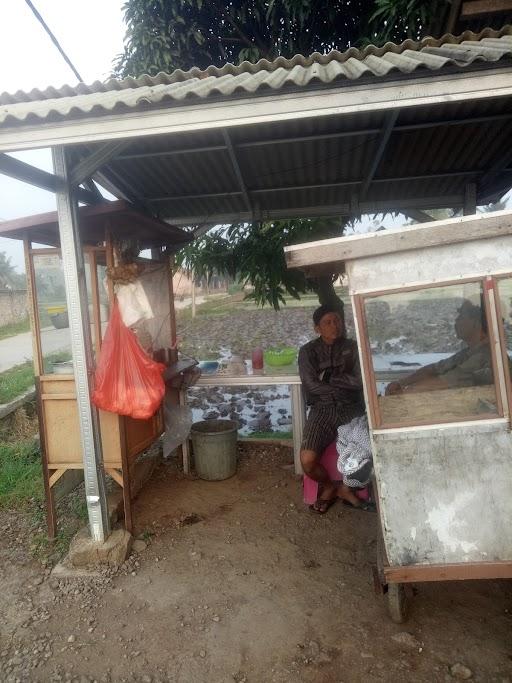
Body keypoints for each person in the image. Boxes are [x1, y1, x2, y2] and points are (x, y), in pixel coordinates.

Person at [298, 304, 365, 514]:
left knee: (367, 448)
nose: (334, 326)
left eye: (336, 321)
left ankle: (346, 488)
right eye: (327, 322)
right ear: (317, 328)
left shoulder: (353, 347)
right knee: (307, 460)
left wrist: (328, 378)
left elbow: (360, 381)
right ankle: (328, 486)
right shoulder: (308, 351)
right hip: (323, 409)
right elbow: (311, 385)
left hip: (351, 408)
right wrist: (342, 384)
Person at [386, 299, 492, 395]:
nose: (456, 322)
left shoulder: (485, 355)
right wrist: (400, 383)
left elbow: (443, 382)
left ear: (476, 323)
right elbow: (433, 369)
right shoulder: (467, 353)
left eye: (461, 317)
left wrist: (404, 394)